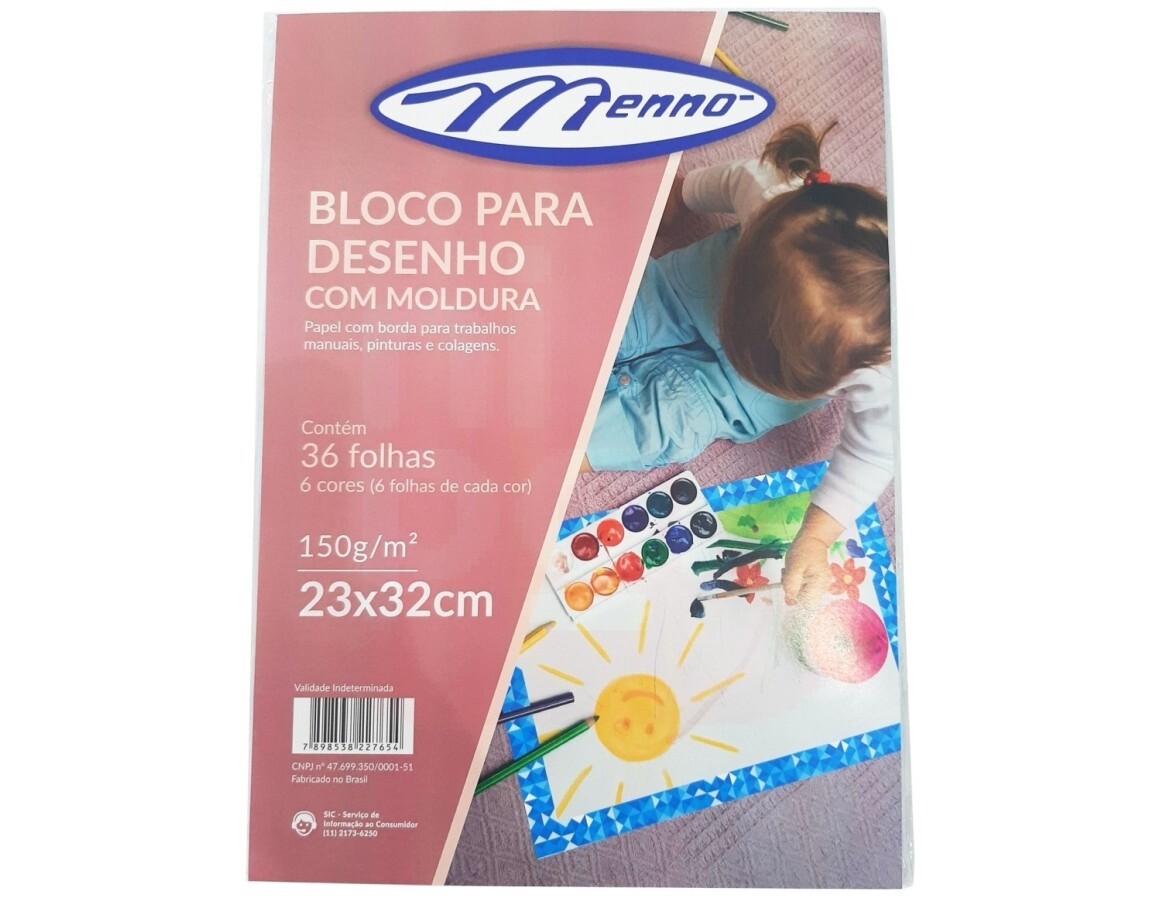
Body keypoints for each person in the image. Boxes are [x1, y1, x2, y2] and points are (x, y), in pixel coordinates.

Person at [582, 123, 893, 609]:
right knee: (608, 316)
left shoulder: (889, 377)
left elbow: (872, 456)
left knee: (668, 423)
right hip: (688, 291)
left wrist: (815, 536)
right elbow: (736, 178)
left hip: (738, 397)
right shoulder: (776, 199)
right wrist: (682, 195)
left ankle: (574, 448)